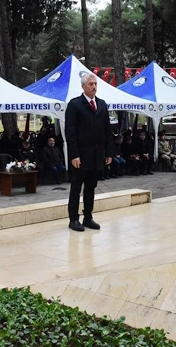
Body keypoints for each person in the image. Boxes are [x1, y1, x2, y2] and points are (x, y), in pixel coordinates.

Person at [65, 73, 114, 232]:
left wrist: (109, 152)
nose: (93, 87)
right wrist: (74, 155)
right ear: (83, 86)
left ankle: (88, 217)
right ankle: (73, 219)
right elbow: (70, 132)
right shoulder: (75, 105)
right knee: (76, 187)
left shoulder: (101, 104)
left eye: (95, 84)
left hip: (96, 154)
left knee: (91, 187)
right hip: (80, 155)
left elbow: (107, 130)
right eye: (90, 84)